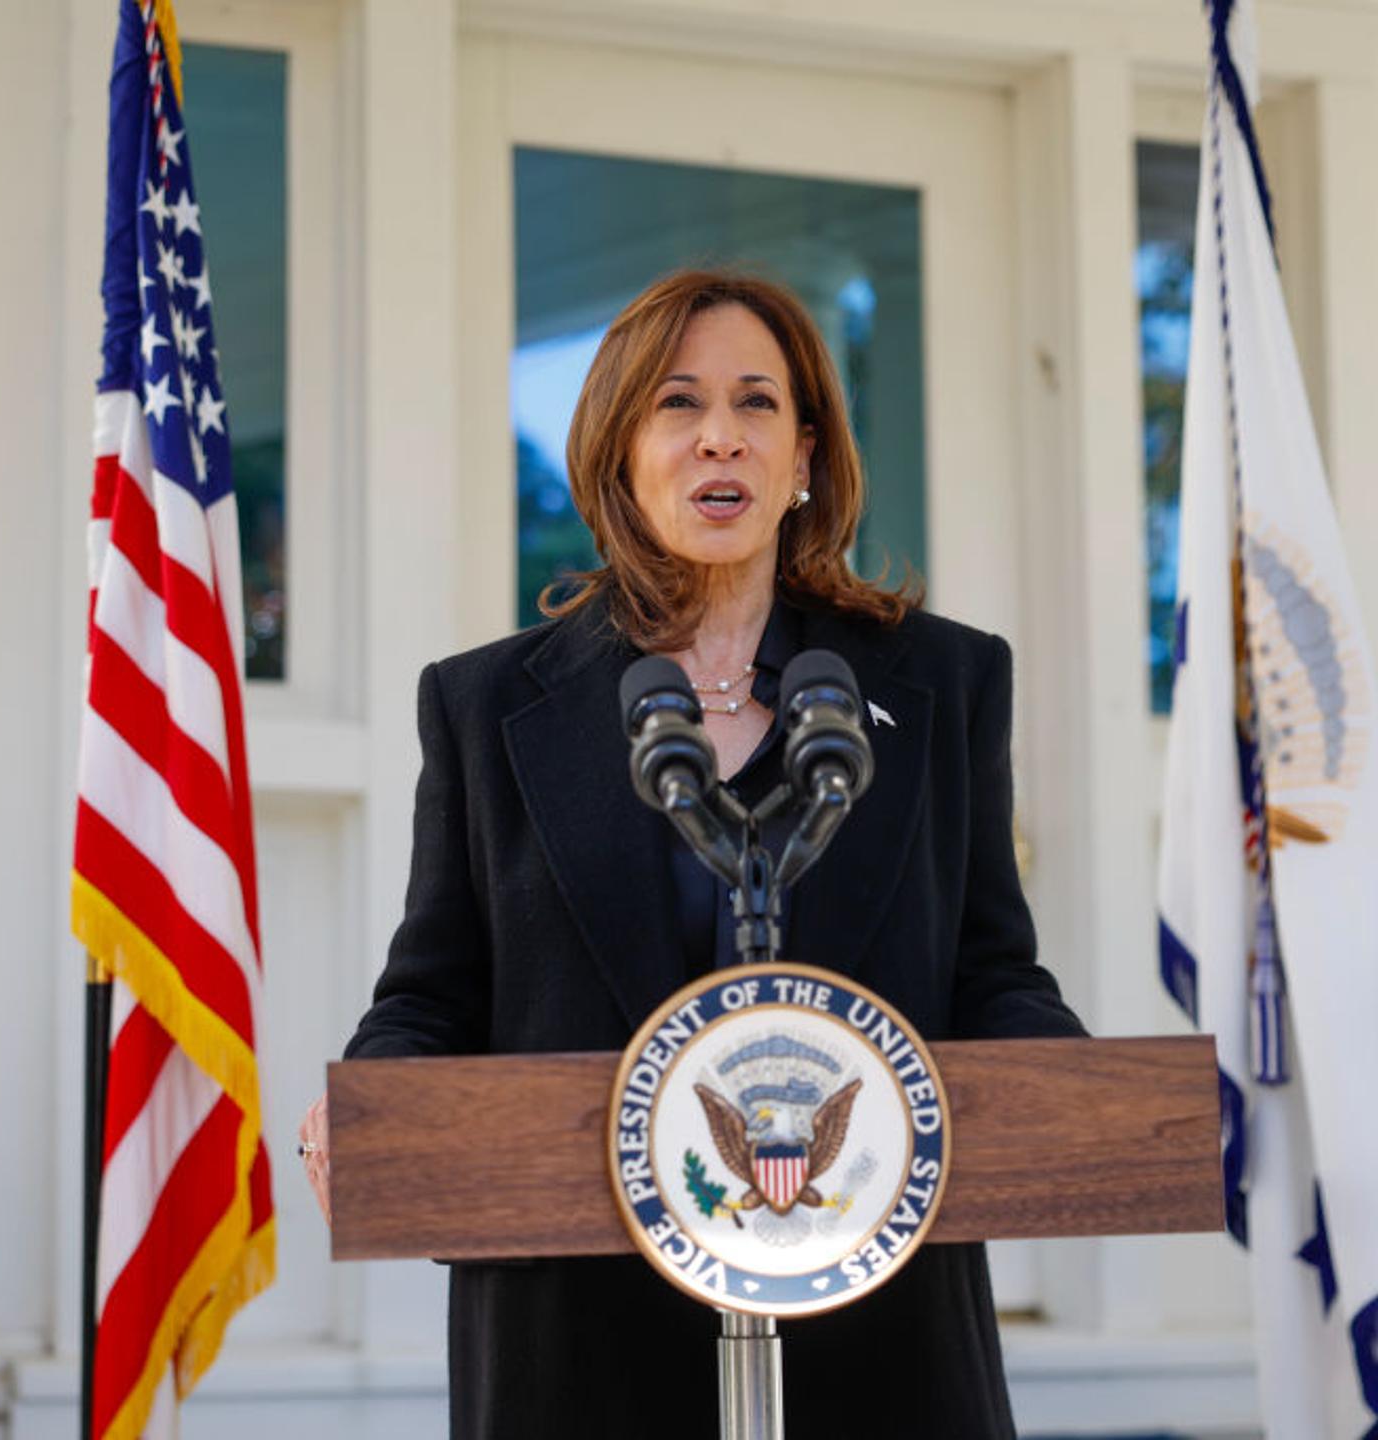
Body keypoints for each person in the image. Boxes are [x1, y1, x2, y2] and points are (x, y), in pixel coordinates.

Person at [300, 269, 1084, 1438]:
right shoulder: (484, 707)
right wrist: (369, 1101)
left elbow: (991, 971)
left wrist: (1080, 1100)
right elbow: (432, 993)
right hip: (580, 1343)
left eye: (757, 402)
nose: (722, 435)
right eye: (679, 402)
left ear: (804, 454)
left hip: (875, 1330)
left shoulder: (942, 683)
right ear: (620, 450)